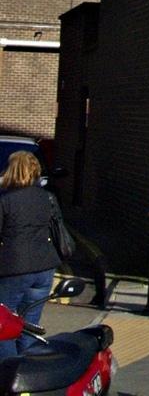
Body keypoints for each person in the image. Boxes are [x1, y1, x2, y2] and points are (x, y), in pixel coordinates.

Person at [0, 152, 63, 357]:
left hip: (15, 268)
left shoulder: (6, 200)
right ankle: (28, 374)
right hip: (45, 267)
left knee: (5, 326)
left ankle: (9, 375)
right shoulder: (47, 197)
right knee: (30, 324)